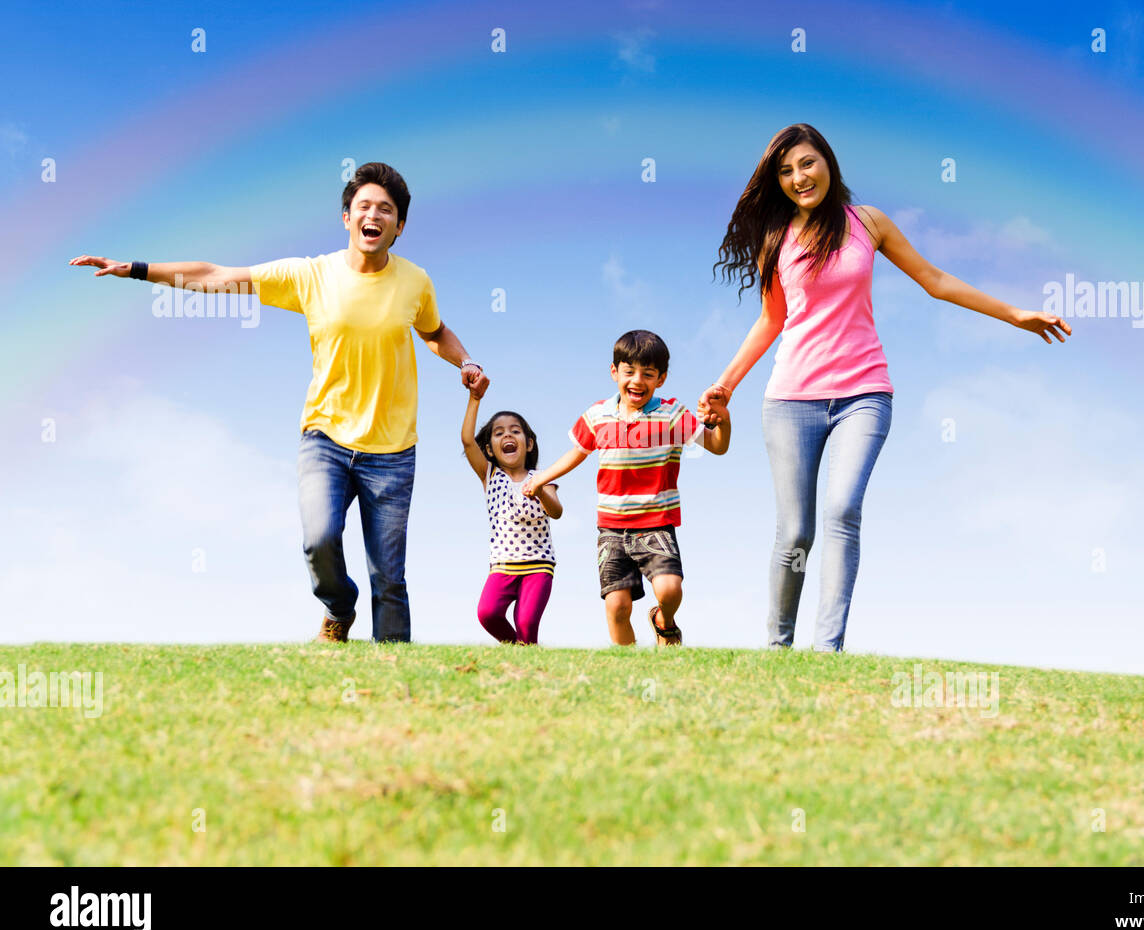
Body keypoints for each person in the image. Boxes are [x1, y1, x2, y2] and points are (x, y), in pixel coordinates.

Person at [69, 162, 489, 644]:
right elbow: (218, 275)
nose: (373, 215)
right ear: (347, 217)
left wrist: (464, 361)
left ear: (400, 226)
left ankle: (394, 676)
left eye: (386, 210)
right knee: (318, 540)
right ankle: (339, 609)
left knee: (389, 578)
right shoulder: (311, 274)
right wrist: (137, 270)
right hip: (326, 438)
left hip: (393, 451)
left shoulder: (415, 282)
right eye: (364, 206)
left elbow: (434, 332)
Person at [699, 123, 1071, 652]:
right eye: (785, 171)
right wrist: (725, 384)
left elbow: (935, 280)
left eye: (807, 163)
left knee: (842, 511)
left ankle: (827, 649)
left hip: (864, 393)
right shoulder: (776, 240)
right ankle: (778, 648)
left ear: (827, 162)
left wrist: (1015, 314)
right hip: (790, 400)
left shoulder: (867, 223)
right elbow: (771, 320)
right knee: (796, 531)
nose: (799, 177)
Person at [523, 330, 731, 646]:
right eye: (629, 371)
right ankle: (627, 663)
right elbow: (576, 453)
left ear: (661, 379)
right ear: (614, 372)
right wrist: (541, 478)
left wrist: (723, 421)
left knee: (670, 590)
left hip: (656, 523)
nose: (637, 380)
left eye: (648, 374)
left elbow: (717, 446)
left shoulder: (672, 414)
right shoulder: (597, 415)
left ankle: (664, 621)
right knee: (617, 606)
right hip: (612, 528)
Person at [462, 392, 560, 645]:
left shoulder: (542, 478)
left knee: (526, 623)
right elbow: (467, 442)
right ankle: (521, 650)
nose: (507, 435)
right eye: (499, 433)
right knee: (488, 613)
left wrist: (540, 491)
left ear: (529, 444)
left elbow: (557, 511)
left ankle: (526, 653)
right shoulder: (490, 475)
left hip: (538, 565)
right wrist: (474, 399)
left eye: (515, 431)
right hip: (502, 566)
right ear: (489, 449)